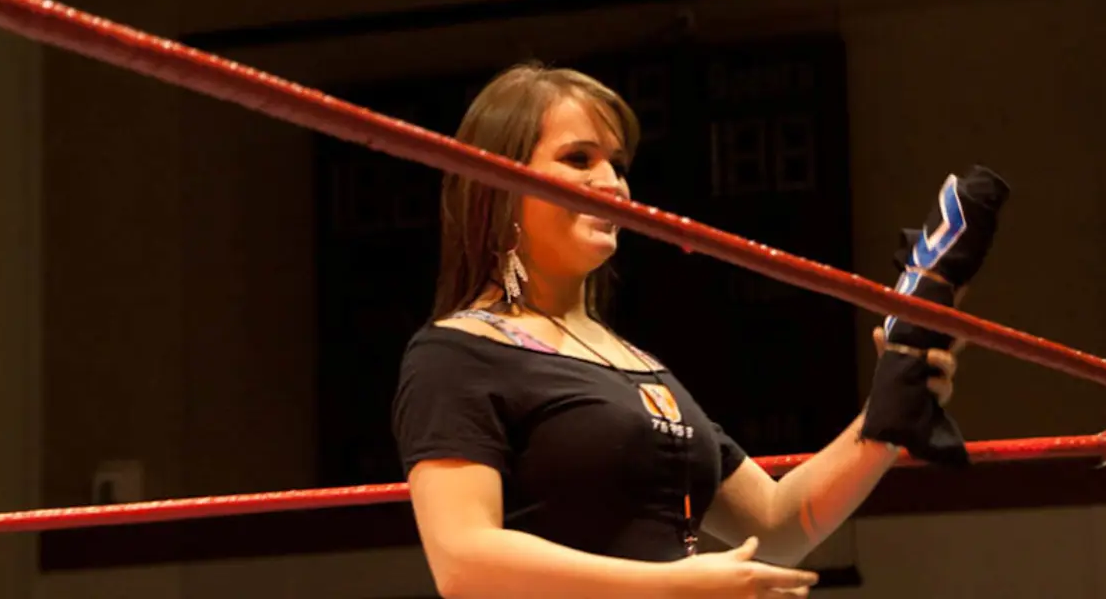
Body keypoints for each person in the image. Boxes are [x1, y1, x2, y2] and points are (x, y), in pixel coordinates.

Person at [392, 63, 960, 598]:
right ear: (498, 182)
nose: (612, 184)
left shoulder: (632, 362)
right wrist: (679, 586)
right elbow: (463, 560)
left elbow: (776, 524)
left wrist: (888, 411)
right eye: (578, 158)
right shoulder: (456, 353)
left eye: (617, 164)